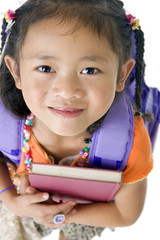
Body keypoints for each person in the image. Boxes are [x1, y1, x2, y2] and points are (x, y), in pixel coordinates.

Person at [0, 0, 153, 239]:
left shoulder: (129, 140)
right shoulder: (6, 117)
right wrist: (11, 198)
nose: (67, 90)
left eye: (89, 70)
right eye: (45, 68)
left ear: (121, 75)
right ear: (16, 72)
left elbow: (125, 214)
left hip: (88, 209)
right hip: (18, 194)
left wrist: (62, 214)